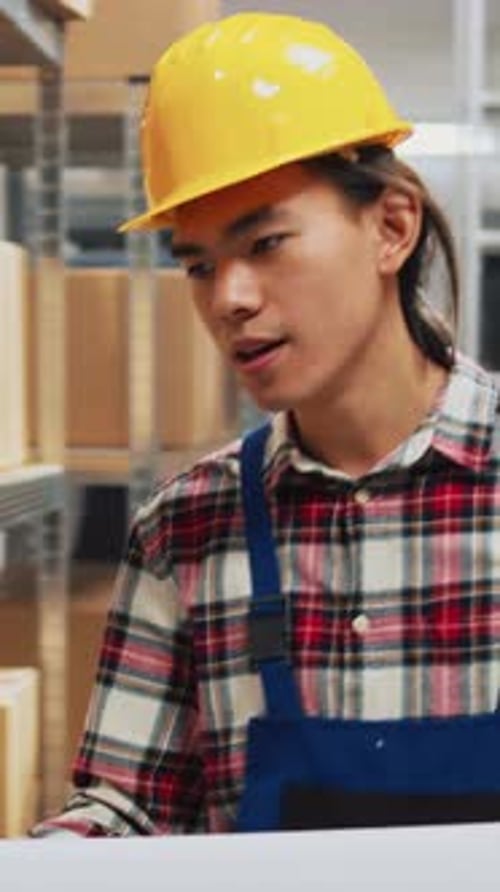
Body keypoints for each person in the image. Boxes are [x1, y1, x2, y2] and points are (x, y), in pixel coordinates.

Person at [33, 11, 500, 837]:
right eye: (199, 265)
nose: (229, 299)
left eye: (267, 243)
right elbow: (128, 808)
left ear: (392, 227)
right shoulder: (186, 528)